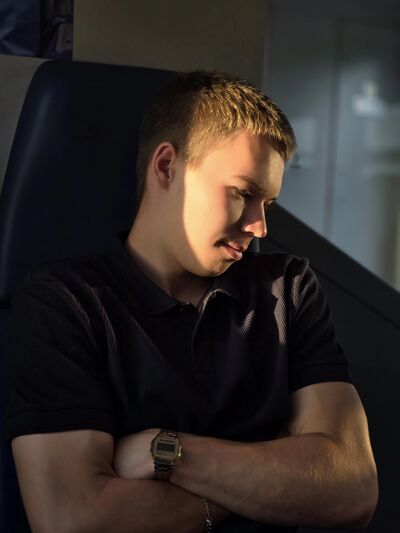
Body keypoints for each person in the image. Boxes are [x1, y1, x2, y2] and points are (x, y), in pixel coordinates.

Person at [5, 70, 378, 532]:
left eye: (268, 204)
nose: (260, 227)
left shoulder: (289, 289)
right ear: (166, 167)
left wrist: (169, 453)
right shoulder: (65, 303)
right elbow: (73, 520)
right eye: (244, 193)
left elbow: (352, 488)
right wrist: (275, 476)